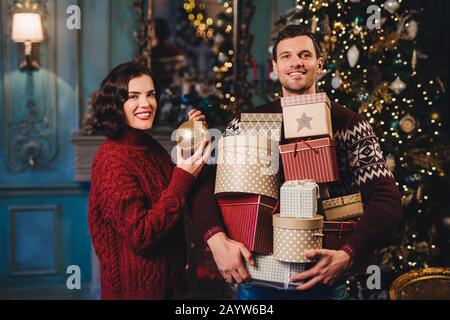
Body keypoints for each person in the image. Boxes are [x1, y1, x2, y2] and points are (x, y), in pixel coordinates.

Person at [191, 24, 403, 300]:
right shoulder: (246, 124)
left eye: (305, 55)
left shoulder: (349, 124)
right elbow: (204, 184)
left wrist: (349, 253)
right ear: (275, 66)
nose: (296, 62)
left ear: (319, 64)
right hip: (256, 282)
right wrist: (216, 239)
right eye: (286, 56)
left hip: (325, 281)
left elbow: (386, 198)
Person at [88, 62, 211, 299]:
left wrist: (196, 136)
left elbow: (176, 195)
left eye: (151, 95)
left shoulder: (150, 147)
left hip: (165, 287)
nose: (146, 104)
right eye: (134, 96)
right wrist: (182, 177)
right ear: (116, 104)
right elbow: (141, 234)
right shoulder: (111, 161)